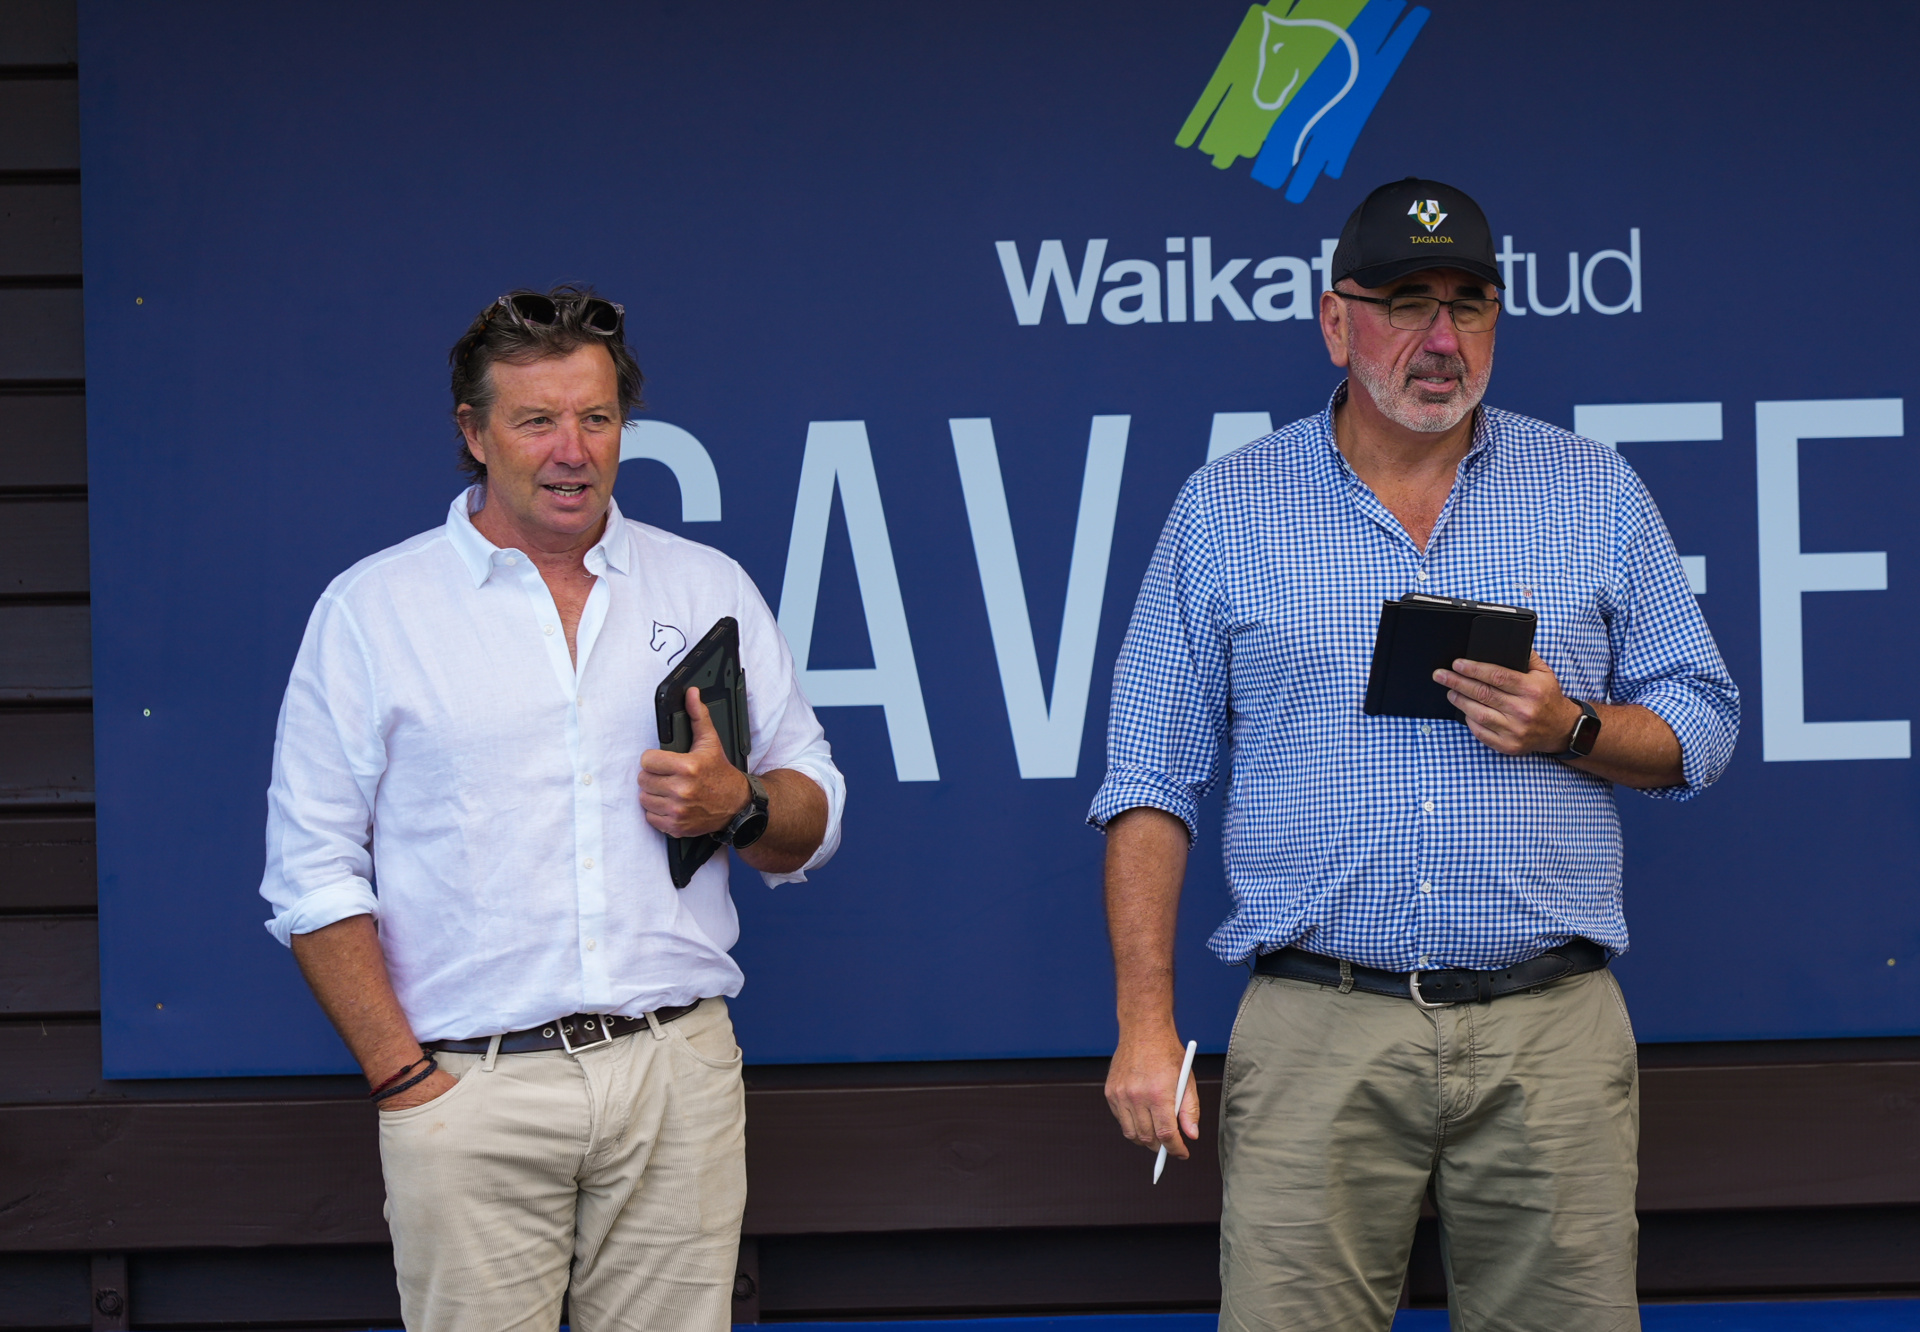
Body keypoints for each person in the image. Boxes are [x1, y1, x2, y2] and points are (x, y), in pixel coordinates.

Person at [1091, 179, 1738, 1330]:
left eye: (1468, 303)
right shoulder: (1228, 509)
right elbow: (1149, 779)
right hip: (1318, 1021)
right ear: (1336, 322)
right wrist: (1146, 1026)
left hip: (1549, 1023)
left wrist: (1570, 728)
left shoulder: (1592, 491)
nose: (1442, 338)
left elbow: (1705, 721)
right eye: (1406, 303)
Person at [259, 286, 845, 1332]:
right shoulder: (374, 610)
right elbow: (310, 871)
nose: (572, 450)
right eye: (536, 420)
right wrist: (406, 1083)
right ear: (473, 433)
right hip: (470, 1090)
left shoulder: (704, 586)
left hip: (676, 1073)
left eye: (597, 417)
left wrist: (740, 803)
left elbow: (815, 809)